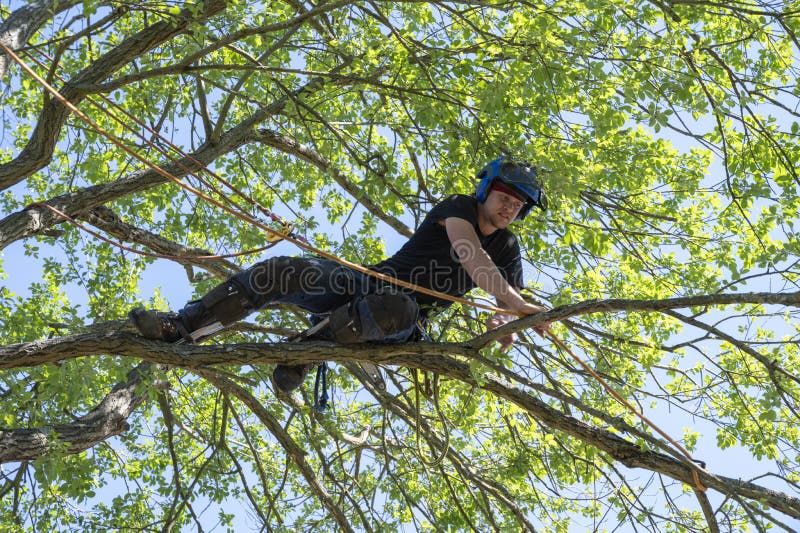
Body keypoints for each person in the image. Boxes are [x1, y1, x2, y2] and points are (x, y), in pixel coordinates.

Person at [129, 155, 549, 393]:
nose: (510, 207)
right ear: (486, 189)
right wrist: (512, 303)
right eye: (506, 195)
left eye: (519, 204)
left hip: (401, 319)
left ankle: (307, 351)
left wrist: (504, 318)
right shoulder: (457, 208)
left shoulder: (509, 250)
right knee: (284, 271)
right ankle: (180, 326)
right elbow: (468, 252)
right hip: (362, 281)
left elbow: (506, 305)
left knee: (397, 307)